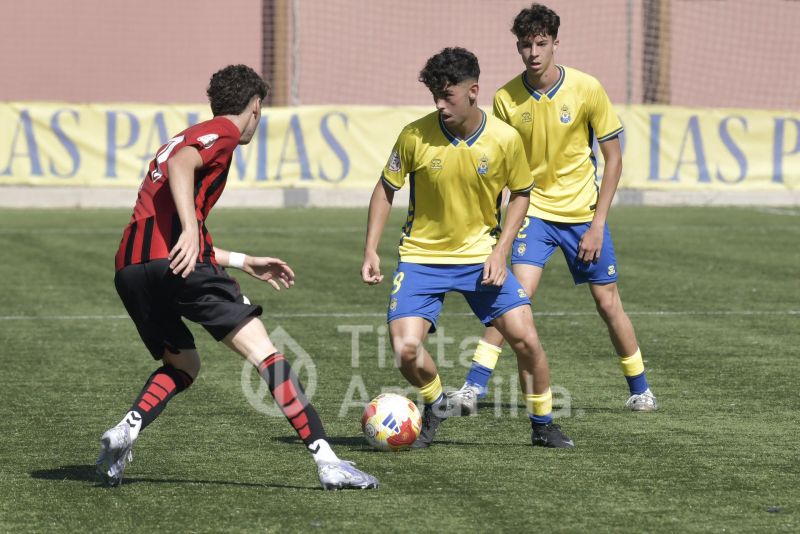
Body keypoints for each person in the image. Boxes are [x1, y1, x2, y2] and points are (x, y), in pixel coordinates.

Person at [96, 64, 378, 490]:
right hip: (174, 264)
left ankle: (126, 430)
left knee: (184, 364)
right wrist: (192, 229)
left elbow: (169, 230)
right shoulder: (223, 132)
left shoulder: (188, 132)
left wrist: (243, 260)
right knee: (267, 355)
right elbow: (181, 166)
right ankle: (329, 462)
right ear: (256, 107)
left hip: (132, 269)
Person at [361, 47, 574, 449]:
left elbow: (523, 195)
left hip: (481, 259)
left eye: (448, 96)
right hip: (421, 258)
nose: (440, 106)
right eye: (435, 97)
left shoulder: (505, 139)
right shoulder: (413, 135)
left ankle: (543, 424)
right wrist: (371, 249)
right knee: (406, 350)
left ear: (473, 91)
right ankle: (437, 400)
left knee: (526, 339)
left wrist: (500, 251)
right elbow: (385, 189)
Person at [454, 3, 657, 412]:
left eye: (541, 43)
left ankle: (640, 388)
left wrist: (598, 224)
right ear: (518, 47)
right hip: (533, 213)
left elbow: (613, 158)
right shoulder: (507, 98)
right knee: (515, 296)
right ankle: (473, 387)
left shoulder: (586, 88)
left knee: (607, 302)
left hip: (582, 216)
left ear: (555, 43)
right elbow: (504, 164)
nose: (533, 52)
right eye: (526, 45)